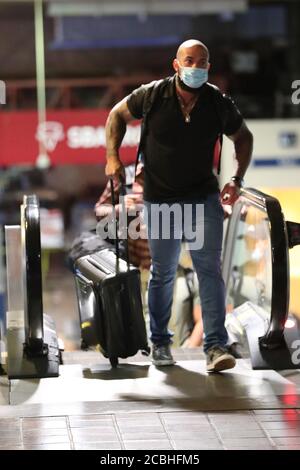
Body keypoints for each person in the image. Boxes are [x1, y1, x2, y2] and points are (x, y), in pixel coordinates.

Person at [105, 39, 253, 372]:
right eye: (190, 60)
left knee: (210, 273)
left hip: (202, 199)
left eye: (202, 62)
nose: (196, 67)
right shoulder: (153, 95)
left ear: (208, 67)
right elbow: (116, 115)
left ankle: (215, 347)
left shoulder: (217, 103)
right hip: (161, 202)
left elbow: (243, 138)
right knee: (163, 274)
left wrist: (236, 180)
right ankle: (160, 343)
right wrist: (112, 157)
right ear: (176, 64)